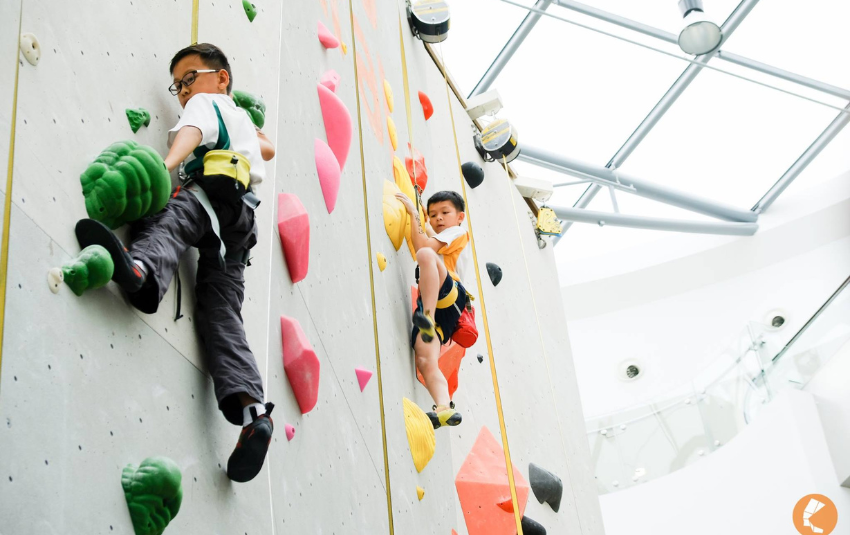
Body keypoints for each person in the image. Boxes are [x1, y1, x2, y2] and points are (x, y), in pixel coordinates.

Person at [75, 43, 275, 482]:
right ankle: (253, 411)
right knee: (222, 311)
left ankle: (142, 272)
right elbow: (268, 148)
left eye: (190, 78)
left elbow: (193, 134)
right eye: (178, 86)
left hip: (209, 194)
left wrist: (164, 165)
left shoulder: (208, 103)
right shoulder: (240, 119)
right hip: (241, 224)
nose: (184, 92)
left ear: (222, 77)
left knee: (170, 221)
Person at [397, 189, 472, 429]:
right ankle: (444, 407)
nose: (438, 218)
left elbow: (424, 247)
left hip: (449, 297)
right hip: (439, 305)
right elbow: (424, 237)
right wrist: (417, 212)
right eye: (433, 214)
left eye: (445, 212)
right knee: (426, 360)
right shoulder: (441, 235)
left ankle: (427, 318)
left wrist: (413, 213)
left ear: (460, 217)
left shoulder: (458, 232)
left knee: (426, 254)